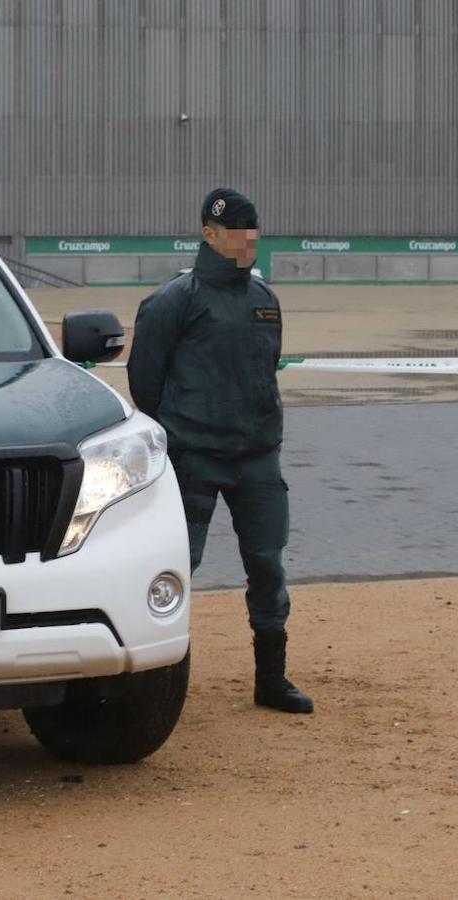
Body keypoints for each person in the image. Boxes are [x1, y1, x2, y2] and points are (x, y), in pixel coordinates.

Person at [128, 188, 313, 714]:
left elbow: (265, 369)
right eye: (236, 229)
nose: (247, 238)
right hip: (193, 461)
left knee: (267, 563)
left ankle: (270, 680)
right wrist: (184, 438)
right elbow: (146, 384)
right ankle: (159, 684)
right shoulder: (174, 301)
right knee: (178, 568)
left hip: (257, 457)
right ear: (209, 235)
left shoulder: (264, 300)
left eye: (252, 228)